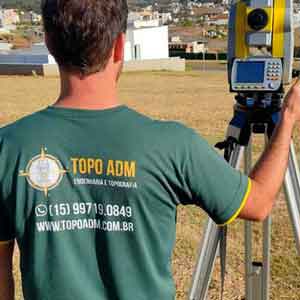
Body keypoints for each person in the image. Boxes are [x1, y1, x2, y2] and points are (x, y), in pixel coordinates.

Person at [0, 1, 300, 299]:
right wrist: (286, 119)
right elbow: (259, 204)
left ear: (49, 43)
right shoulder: (174, 144)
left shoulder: (8, 147)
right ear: (120, 46)